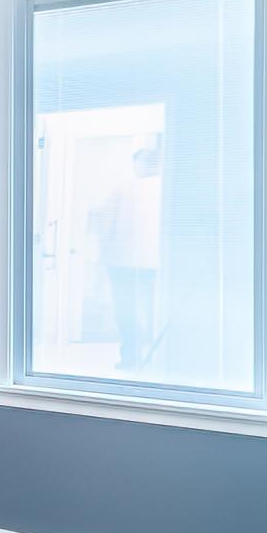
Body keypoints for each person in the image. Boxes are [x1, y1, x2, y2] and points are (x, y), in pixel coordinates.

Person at [89, 146, 163, 370]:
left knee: (127, 311)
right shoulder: (168, 189)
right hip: (156, 263)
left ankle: (132, 359)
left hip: (122, 261)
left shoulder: (123, 189)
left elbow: (105, 224)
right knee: (153, 310)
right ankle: (155, 360)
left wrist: (103, 253)